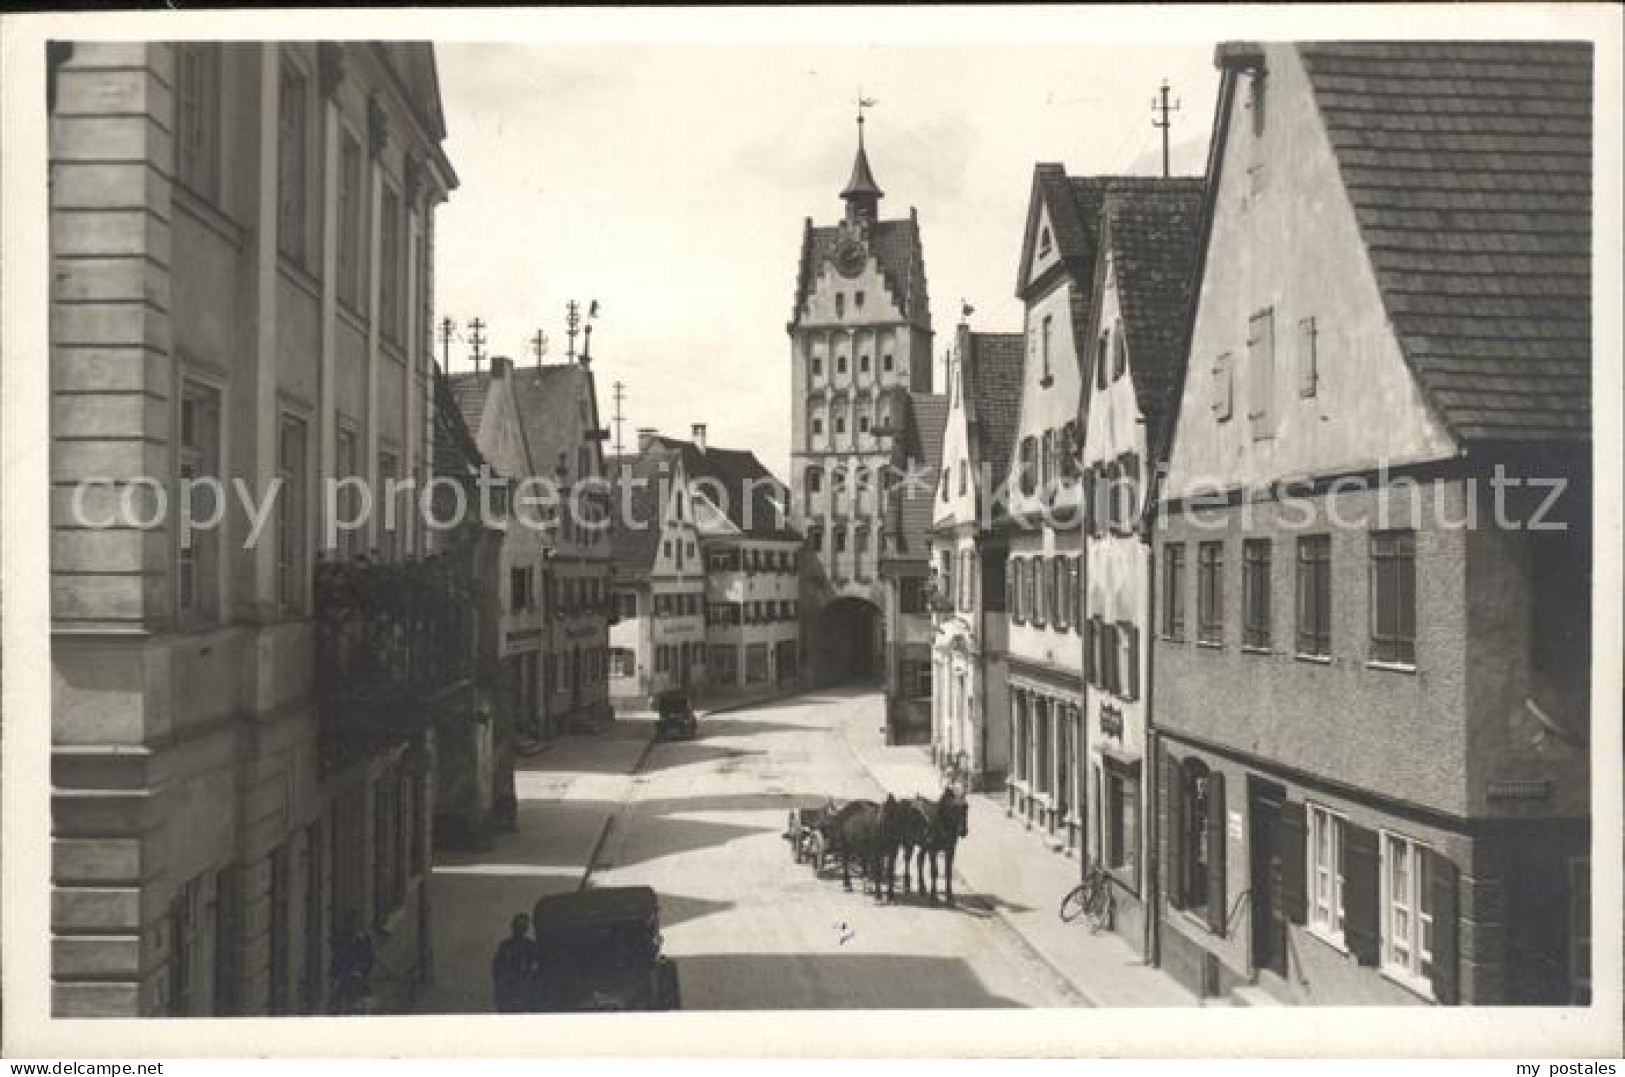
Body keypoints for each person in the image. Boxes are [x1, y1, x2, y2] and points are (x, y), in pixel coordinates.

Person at [491, 912, 541, 1013]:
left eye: (521, 927)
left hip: (521, 992)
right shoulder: (506, 946)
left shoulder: (530, 946)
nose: (519, 930)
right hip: (509, 992)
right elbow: (497, 968)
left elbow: (535, 966)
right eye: (518, 927)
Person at [330, 911, 375, 1014]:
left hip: (358, 977)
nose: (353, 927)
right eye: (350, 923)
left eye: (355, 924)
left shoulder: (364, 939)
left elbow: (368, 956)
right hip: (345, 977)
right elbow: (338, 957)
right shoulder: (342, 939)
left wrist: (361, 971)